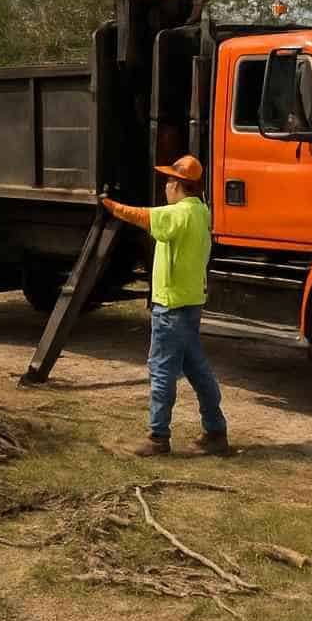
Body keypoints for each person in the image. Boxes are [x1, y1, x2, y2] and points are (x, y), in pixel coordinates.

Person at [100, 155, 230, 457]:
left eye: (169, 181)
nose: (165, 186)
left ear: (178, 185)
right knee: (198, 370)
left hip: (170, 307)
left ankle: (158, 437)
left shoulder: (179, 215)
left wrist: (110, 205)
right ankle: (215, 431)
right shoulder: (201, 212)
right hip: (190, 303)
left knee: (161, 371)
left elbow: (143, 216)